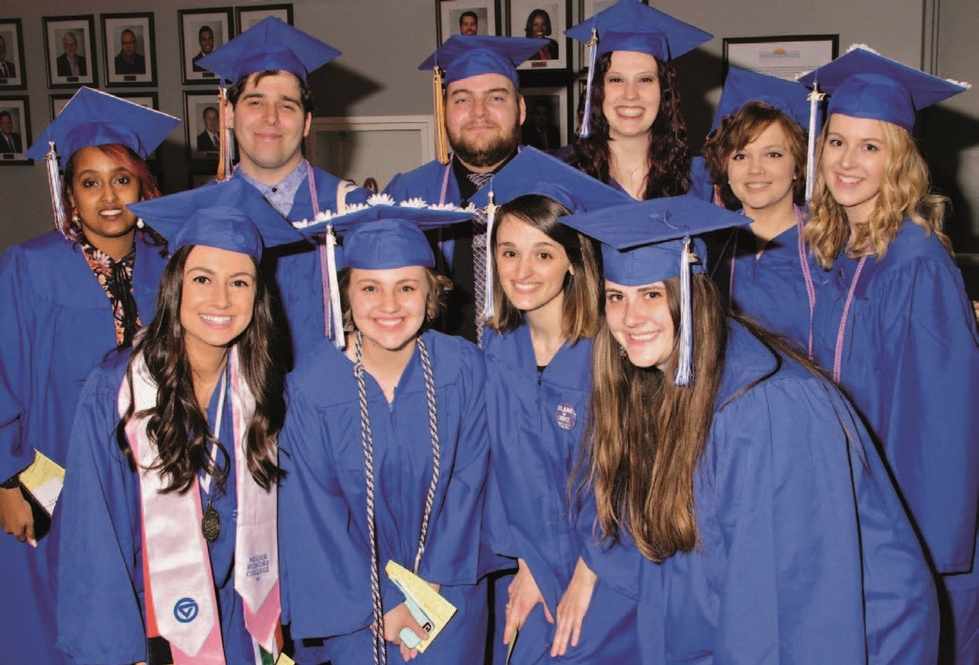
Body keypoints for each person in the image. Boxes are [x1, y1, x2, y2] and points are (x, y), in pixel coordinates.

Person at [560, 194, 939, 663]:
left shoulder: (767, 408)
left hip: (850, 637)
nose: (629, 318)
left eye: (652, 294)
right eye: (616, 297)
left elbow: (784, 606)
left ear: (692, 294)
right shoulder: (661, 385)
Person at [57, 179, 300, 664]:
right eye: (203, 279)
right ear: (175, 284)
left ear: (258, 296)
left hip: (241, 618)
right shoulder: (116, 389)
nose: (222, 300)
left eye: (240, 282)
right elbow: (93, 533)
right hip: (151, 626)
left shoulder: (268, 390)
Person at [798, 46, 979, 664]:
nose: (847, 161)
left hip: (903, 526)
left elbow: (945, 421)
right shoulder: (837, 249)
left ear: (898, 160)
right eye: (838, 142)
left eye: (870, 147)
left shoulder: (917, 262)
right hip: (847, 510)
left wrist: (923, 554)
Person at [0, 86, 177, 665]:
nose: (107, 196)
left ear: (142, 186)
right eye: (90, 181)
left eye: (121, 180)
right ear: (69, 194)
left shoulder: (171, 268)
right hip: (51, 485)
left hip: (151, 483)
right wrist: (4, 482)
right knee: (52, 623)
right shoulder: (31, 265)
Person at [279, 202, 500, 664]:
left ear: (431, 292)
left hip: (447, 592)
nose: (389, 306)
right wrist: (379, 604)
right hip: (353, 606)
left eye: (406, 287)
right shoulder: (312, 387)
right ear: (346, 294)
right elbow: (315, 512)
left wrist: (424, 594)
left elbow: (471, 482)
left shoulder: (464, 368)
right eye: (370, 288)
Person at [471, 147, 637, 665]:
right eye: (508, 251)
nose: (522, 271)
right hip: (530, 564)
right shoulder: (494, 348)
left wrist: (589, 571)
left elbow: (632, 474)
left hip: (609, 567)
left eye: (543, 253)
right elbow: (496, 473)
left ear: (571, 261)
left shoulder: (612, 352)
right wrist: (526, 562)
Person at [197, 16, 369, 361]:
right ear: (228, 113)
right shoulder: (199, 215)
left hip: (330, 403)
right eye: (255, 102)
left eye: (287, 105)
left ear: (306, 122)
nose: (271, 118)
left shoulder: (352, 209)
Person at [384, 35, 548, 342]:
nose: (479, 112)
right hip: (441, 379)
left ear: (522, 109)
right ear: (443, 109)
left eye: (496, 98)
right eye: (462, 99)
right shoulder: (407, 195)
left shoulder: (558, 192)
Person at [700, 67, 816, 350]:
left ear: (798, 167)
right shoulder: (707, 247)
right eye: (741, 155)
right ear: (726, 166)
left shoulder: (825, 247)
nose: (755, 169)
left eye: (773, 154)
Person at [563, 0, 711, 200]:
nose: (630, 94)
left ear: (664, 91)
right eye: (616, 79)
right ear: (598, 90)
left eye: (645, 79)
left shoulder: (703, 183)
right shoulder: (564, 178)